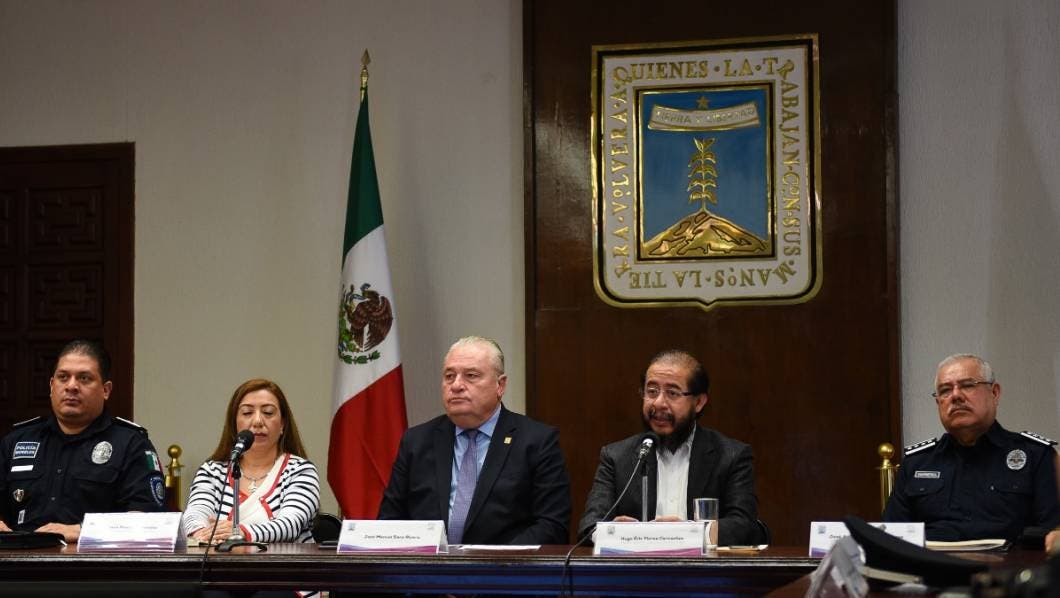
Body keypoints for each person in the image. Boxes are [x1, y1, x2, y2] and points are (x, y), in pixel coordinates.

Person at [378, 336, 571, 544]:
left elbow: (552, 526)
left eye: (471, 375)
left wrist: (494, 559)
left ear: (500, 385)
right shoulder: (416, 441)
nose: (456, 385)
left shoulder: (536, 441)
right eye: (449, 376)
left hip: (505, 564)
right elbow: (389, 521)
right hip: (428, 563)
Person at [577, 349, 765, 546]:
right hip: (636, 565)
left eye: (672, 393)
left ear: (699, 402)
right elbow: (589, 527)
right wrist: (612, 533)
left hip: (701, 566)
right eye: (652, 391)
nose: (659, 403)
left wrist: (686, 533)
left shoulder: (731, 456)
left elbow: (745, 527)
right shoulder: (616, 457)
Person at [883, 354, 1060, 544]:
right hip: (931, 562)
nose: (956, 396)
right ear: (938, 403)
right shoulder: (917, 463)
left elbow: (1052, 536)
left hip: (1009, 562)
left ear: (994, 393)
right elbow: (891, 538)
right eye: (945, 390)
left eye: (967, 385)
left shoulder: (1035, 456)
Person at [0, 339, 165, 542]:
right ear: (51, 386)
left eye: (84, 378)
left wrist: (84, 530)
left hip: (91, 559)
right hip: (19, 557)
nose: (71, 386)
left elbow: (148, 520)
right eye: (63, 377)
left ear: (106, 390)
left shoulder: (131, 444)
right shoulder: (16, 442)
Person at [182, 378, 320, 546]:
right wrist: (202, 534)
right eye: (247, 413)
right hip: (219, 562)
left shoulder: (301, 471)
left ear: (283, 424)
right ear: (234, 423)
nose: (257, 421)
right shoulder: (212, 471)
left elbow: (290, 525)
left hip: (285, 563)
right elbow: (195, 514)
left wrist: (241, 532)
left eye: (268, 413)